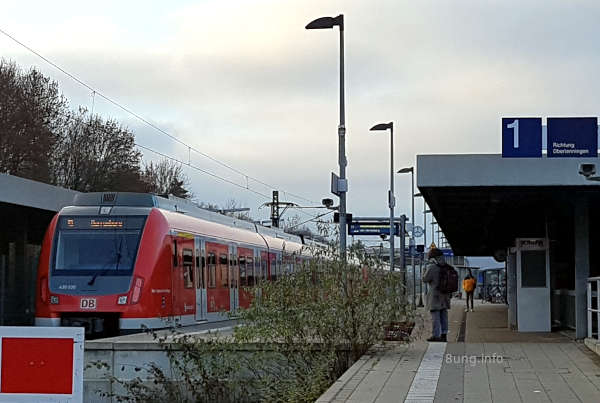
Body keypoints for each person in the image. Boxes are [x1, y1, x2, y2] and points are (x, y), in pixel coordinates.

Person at [422, 247, 451, 342]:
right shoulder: (447, 266)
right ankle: (444, 335)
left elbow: (425, 279)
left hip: (435, 296)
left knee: (435, 316)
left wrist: (423, 270)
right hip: (445, 295)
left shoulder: (432, 267)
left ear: (433, 258)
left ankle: (436, 335)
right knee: (444, 315)